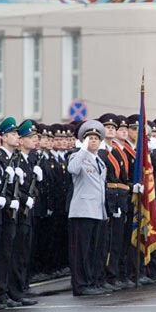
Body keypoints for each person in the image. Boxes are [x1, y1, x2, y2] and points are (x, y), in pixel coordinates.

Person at [68, 120, 109, 296]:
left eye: (96, 138)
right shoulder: (77, 157)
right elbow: (72, 169)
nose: (93, 141)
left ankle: (91, 281)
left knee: (93, 249)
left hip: (97, 210)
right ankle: (80, 284)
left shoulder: (99, 161)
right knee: (81, 251)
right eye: (90, 138)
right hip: (82, 210)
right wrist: (82, 150)